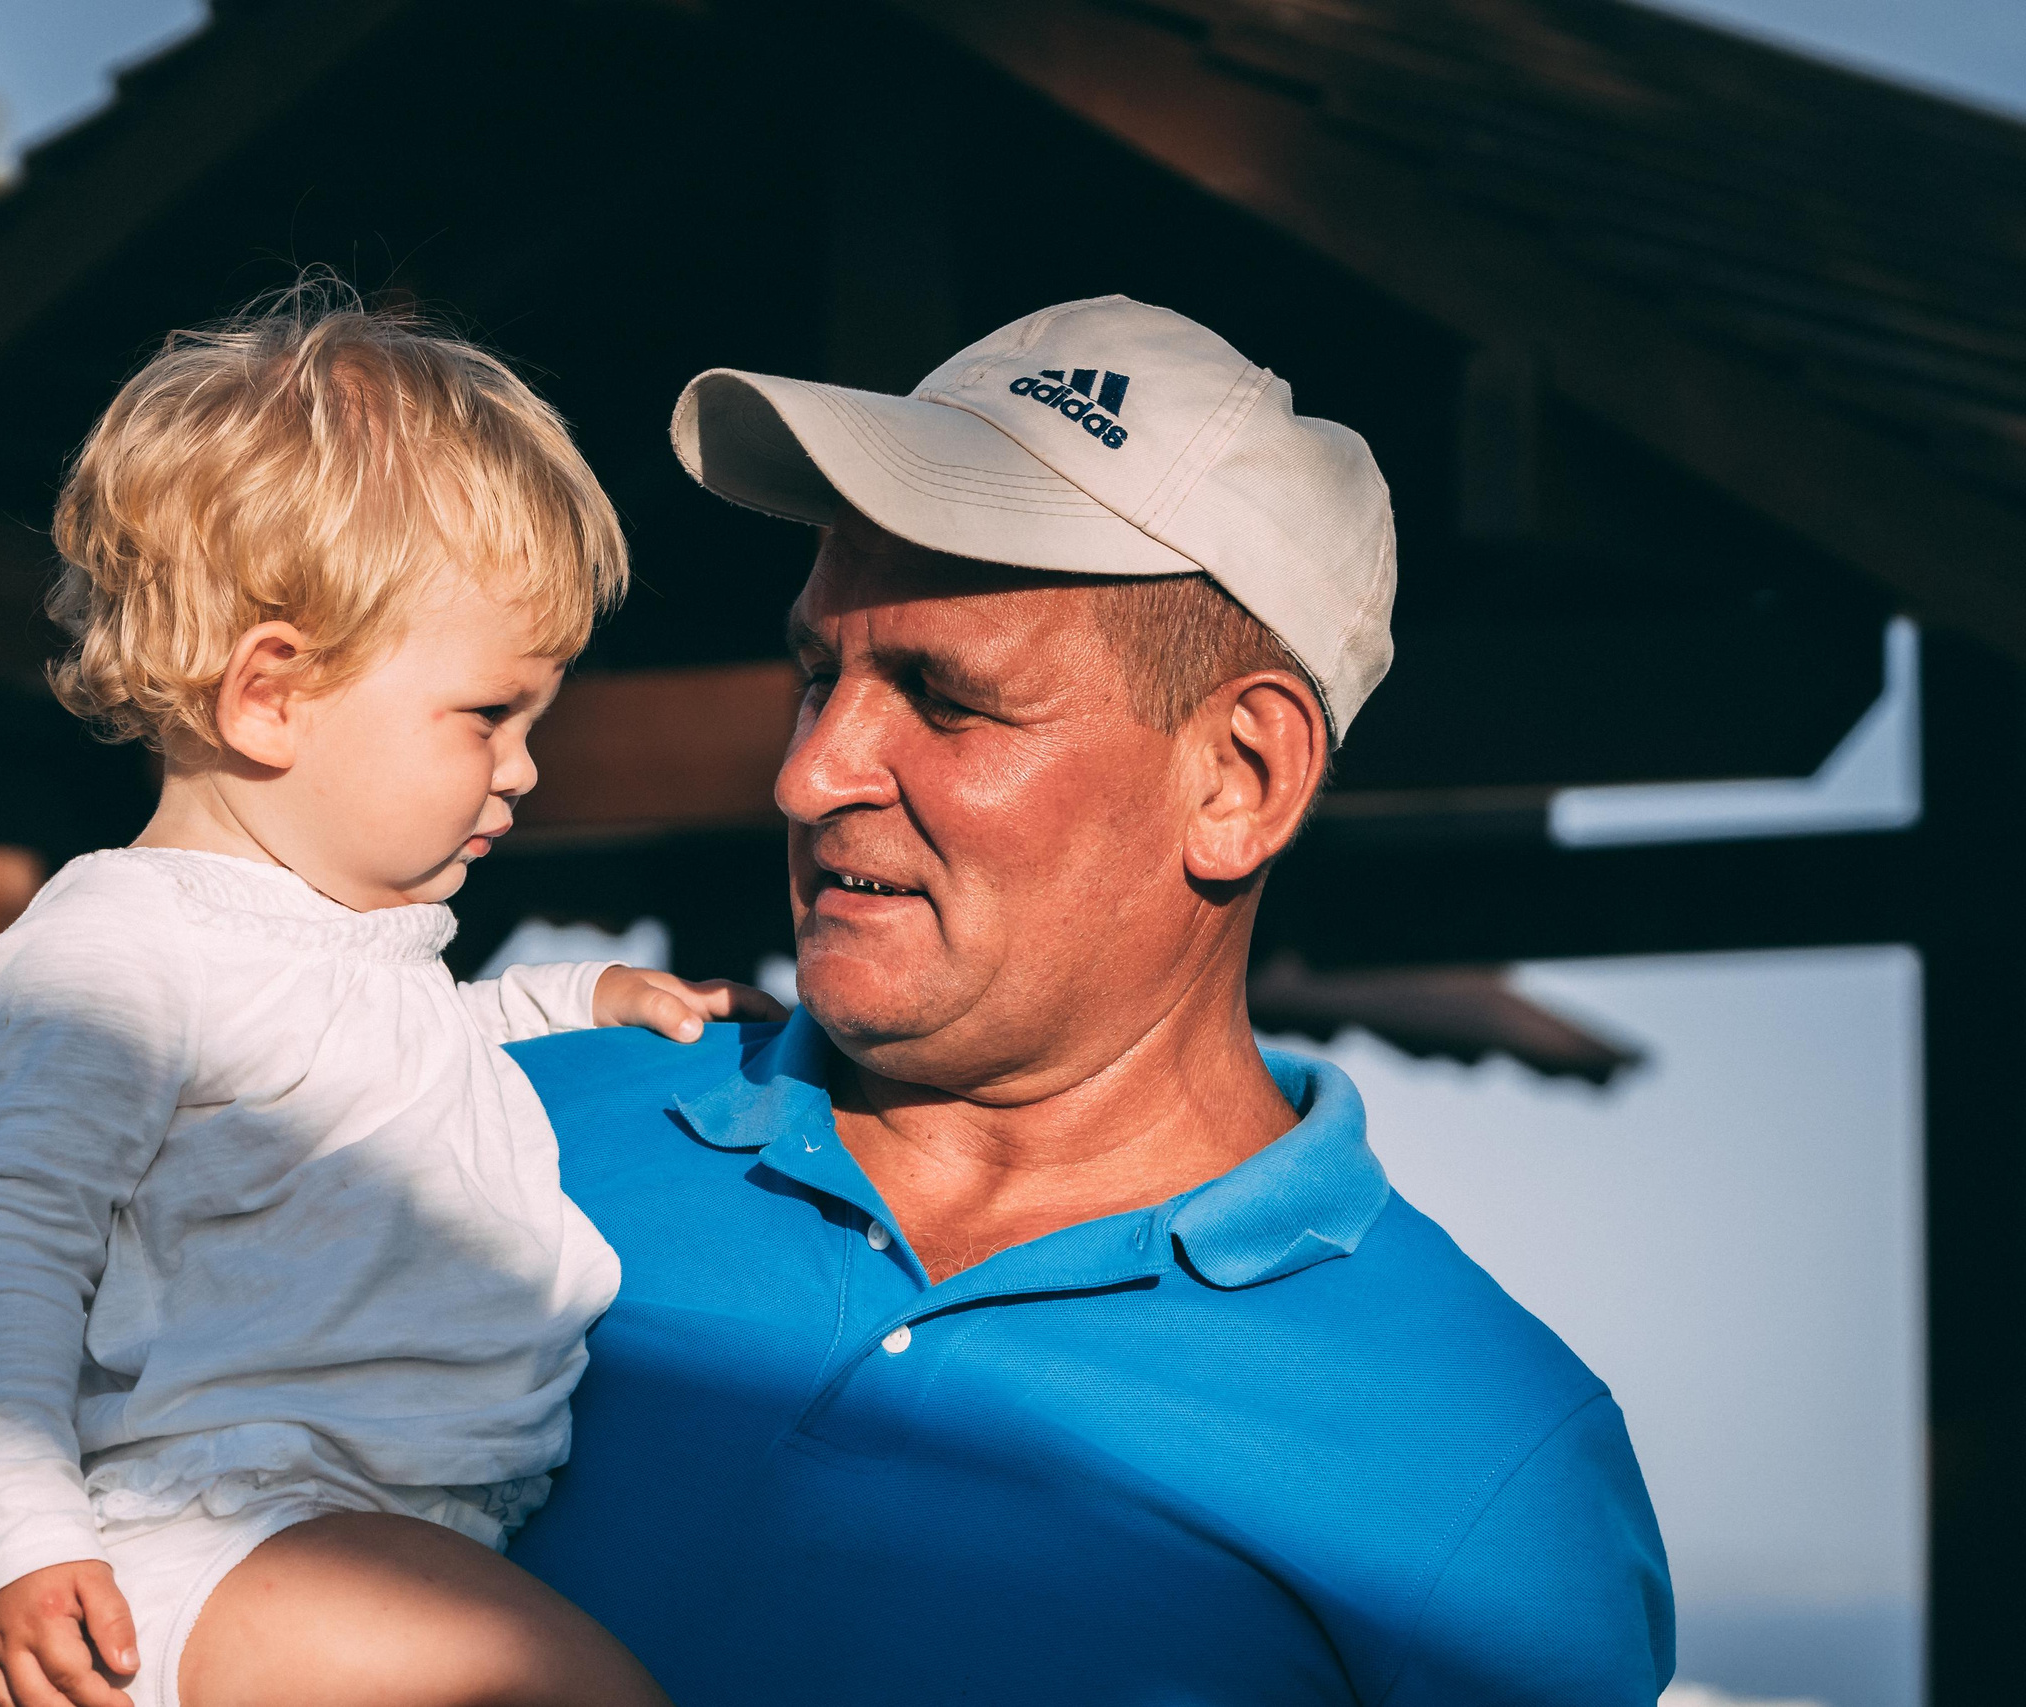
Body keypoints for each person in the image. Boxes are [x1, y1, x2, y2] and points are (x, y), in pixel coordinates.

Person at [506, 295, 1677, 1703]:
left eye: (946, 699)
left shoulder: (1488, 1468)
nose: (808, 777)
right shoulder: (484, 1131)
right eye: (821, 674)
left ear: (1240, 779)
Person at [0, 294, 778, 1707]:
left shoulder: (355, 956)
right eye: (488, 715)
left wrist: (585, 997)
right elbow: (5, 1245)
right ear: (271, 696)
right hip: (229, 1536)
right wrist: (16, 1539)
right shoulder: (115, 951)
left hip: (379, 1535)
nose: (525, 769)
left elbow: (415, 1059)